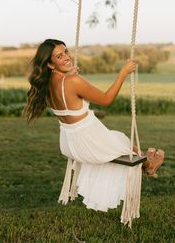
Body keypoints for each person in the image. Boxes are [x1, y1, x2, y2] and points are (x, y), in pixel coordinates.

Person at [24, 39, 164, 222]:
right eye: (60, 56)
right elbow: (106, 100)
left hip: (70, 143)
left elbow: (66, 91)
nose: (67, 57)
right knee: (126, 147)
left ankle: (146, 163)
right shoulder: (73, 80)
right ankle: (149, 166)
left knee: (120, 139)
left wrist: (68, 73)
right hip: (89, 142)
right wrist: (123, 73)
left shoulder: (47, 83)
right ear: (50, 64)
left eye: (66, 52)